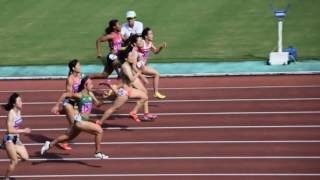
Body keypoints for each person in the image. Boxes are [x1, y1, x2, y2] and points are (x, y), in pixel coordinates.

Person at [41, 76, 108, 159]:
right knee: (99, 131)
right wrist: (56, 106)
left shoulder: (90, 94)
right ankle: (98, 152)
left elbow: (98, 104)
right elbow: (65, 94)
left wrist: (104, 99)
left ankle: (49, 144)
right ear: (85, 85)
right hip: (80, 121)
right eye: (90, 84)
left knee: (69, 137)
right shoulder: (79, 95)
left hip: (82, 121)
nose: (92, 85)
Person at [117, 35, 158, 121]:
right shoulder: (134, 51)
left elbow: (121, 50)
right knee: (142, 93)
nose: (141, 42)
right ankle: (138, 112)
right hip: (131, 74)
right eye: (139, 41)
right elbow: (135, 67)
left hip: (129, 73)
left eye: (141, 40)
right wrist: (142, 77)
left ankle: (110, 90)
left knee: (129, 90)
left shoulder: (133, 49)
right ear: (134, 43)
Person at [2, 93, 31, 180]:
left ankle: (7, 150)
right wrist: (23, 130)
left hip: (15, 138)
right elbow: (10, 130)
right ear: (14, 104)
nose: (22, 102)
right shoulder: (11, 113)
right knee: (14, 161)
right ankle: (5, 178)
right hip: (9, 138)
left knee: (25, 157)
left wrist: (18, 134)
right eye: (19, 101)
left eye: (21, 100)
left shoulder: (19, 110)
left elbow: (16, 126)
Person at [57, 59, 82, 150]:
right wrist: (79, 97)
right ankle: (62, 142)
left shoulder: (79, 76)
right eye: (78, 65)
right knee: (73, 124)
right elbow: (69, 94)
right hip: (69, 102)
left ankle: (64, 140)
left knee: (77, 123)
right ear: (73, 68)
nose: (80, 67)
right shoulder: (70, 79)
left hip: (74, 103)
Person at [139, 27, 167, 99]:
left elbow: (155, 52)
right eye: (150, 34)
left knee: (128, 83)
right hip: (138, 66)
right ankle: (156, 93)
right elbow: (134, 49)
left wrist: (161, 47)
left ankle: (113, 90)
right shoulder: (142, 42)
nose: (152, 35)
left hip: (142, 66)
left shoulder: (150, 43)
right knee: (156, 74)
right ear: (146, 36)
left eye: (152, 33)